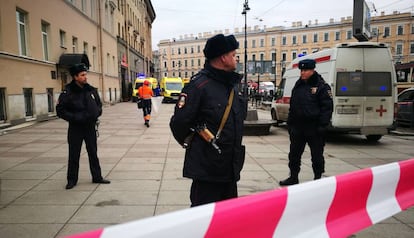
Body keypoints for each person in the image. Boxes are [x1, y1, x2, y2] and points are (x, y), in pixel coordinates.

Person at [170, 34, 247, 207]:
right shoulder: (198, 86)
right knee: (203, 220)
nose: (236, 58)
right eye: (233, 55)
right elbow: (179, 123)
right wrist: (198, 144)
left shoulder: (233, 85)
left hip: (230, 168)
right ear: (223, 57)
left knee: (227, 220)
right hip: (207, 170)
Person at [279, 59, 333, 186]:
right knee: (294, 154)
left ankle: (318, 177)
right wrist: (290, 124)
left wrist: (322, 126)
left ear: (312, 70)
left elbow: (327, 107)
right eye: (301, 70)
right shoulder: (298, 86)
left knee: (317, 155)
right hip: (298, 127)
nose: (302, 73)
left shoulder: (321, 86)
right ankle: (293, 176)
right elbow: (293, 106)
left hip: (314, 128)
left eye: (305, 70)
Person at [56, 63, 110, 189]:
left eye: (86, 74)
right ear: (75, 77)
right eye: (82, 75)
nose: (85, 77)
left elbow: (99, 104)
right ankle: (72, 180)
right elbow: (60, 110)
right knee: (74, 154)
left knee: (93, 152)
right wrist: (76, 118)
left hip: (90, 127)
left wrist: (97, 112)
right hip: (76, 128)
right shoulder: (68, 91)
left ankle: (97, 177)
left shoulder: (90, 89)